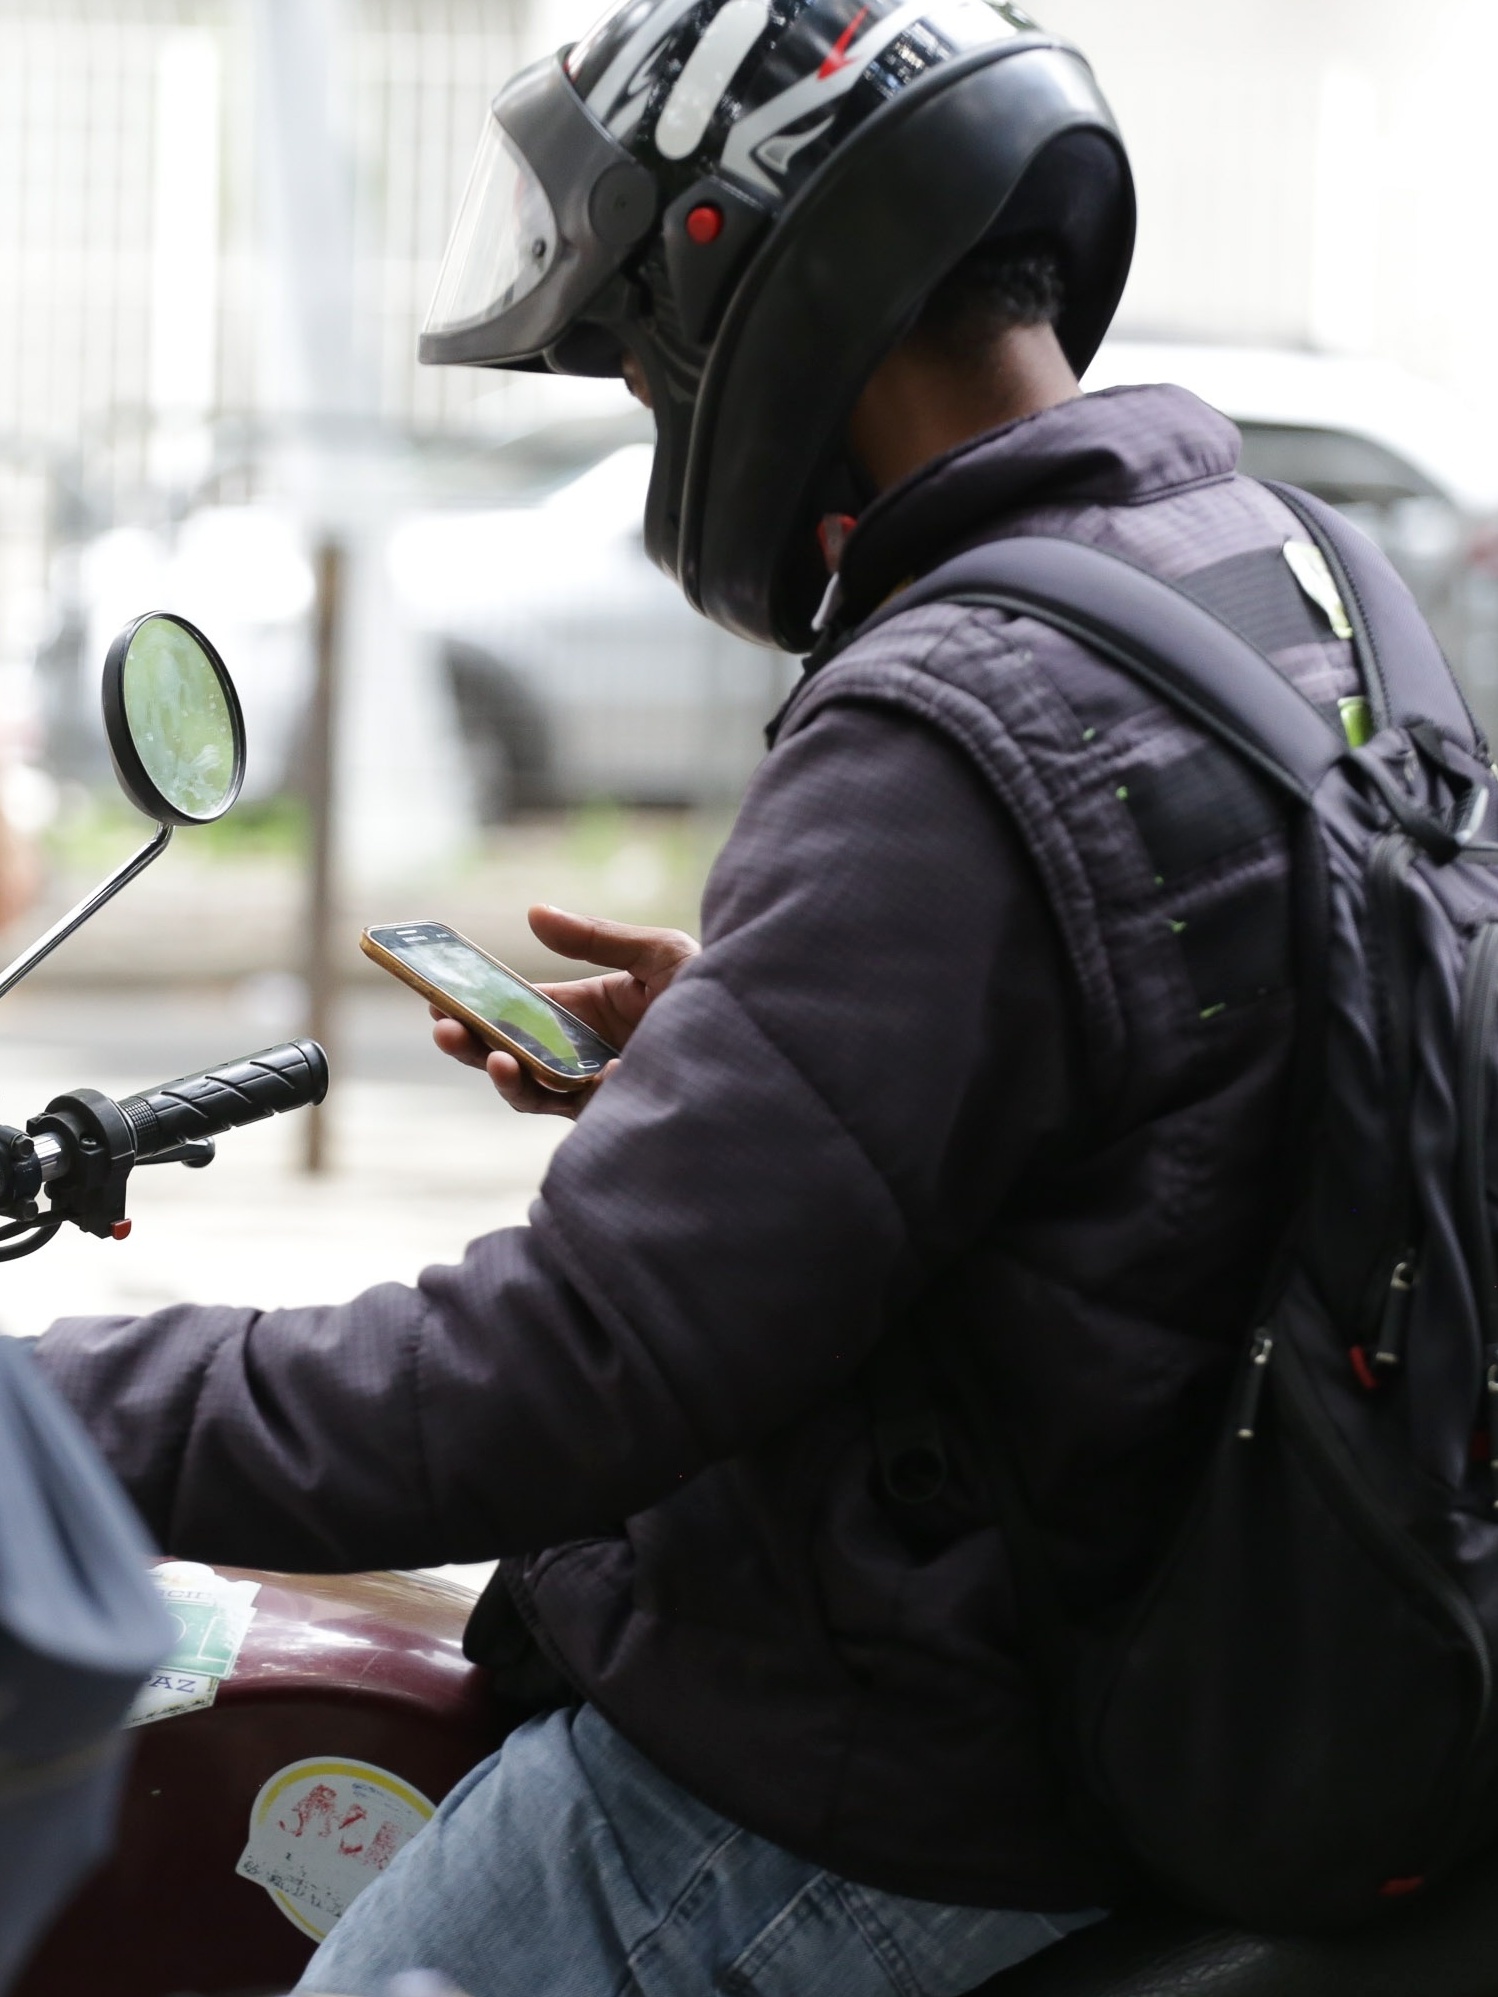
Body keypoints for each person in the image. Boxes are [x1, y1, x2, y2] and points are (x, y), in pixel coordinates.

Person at [28, 2, 1373, 1992]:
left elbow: (559, 1375)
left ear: (761, 286)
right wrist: (761, 1059)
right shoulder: (1283, 576)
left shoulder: (953, 724)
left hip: (875, 1778)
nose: (664, 417)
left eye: (643, 363)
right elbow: (1185, 1102)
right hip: (1222, 1652)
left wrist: (49, 1415)